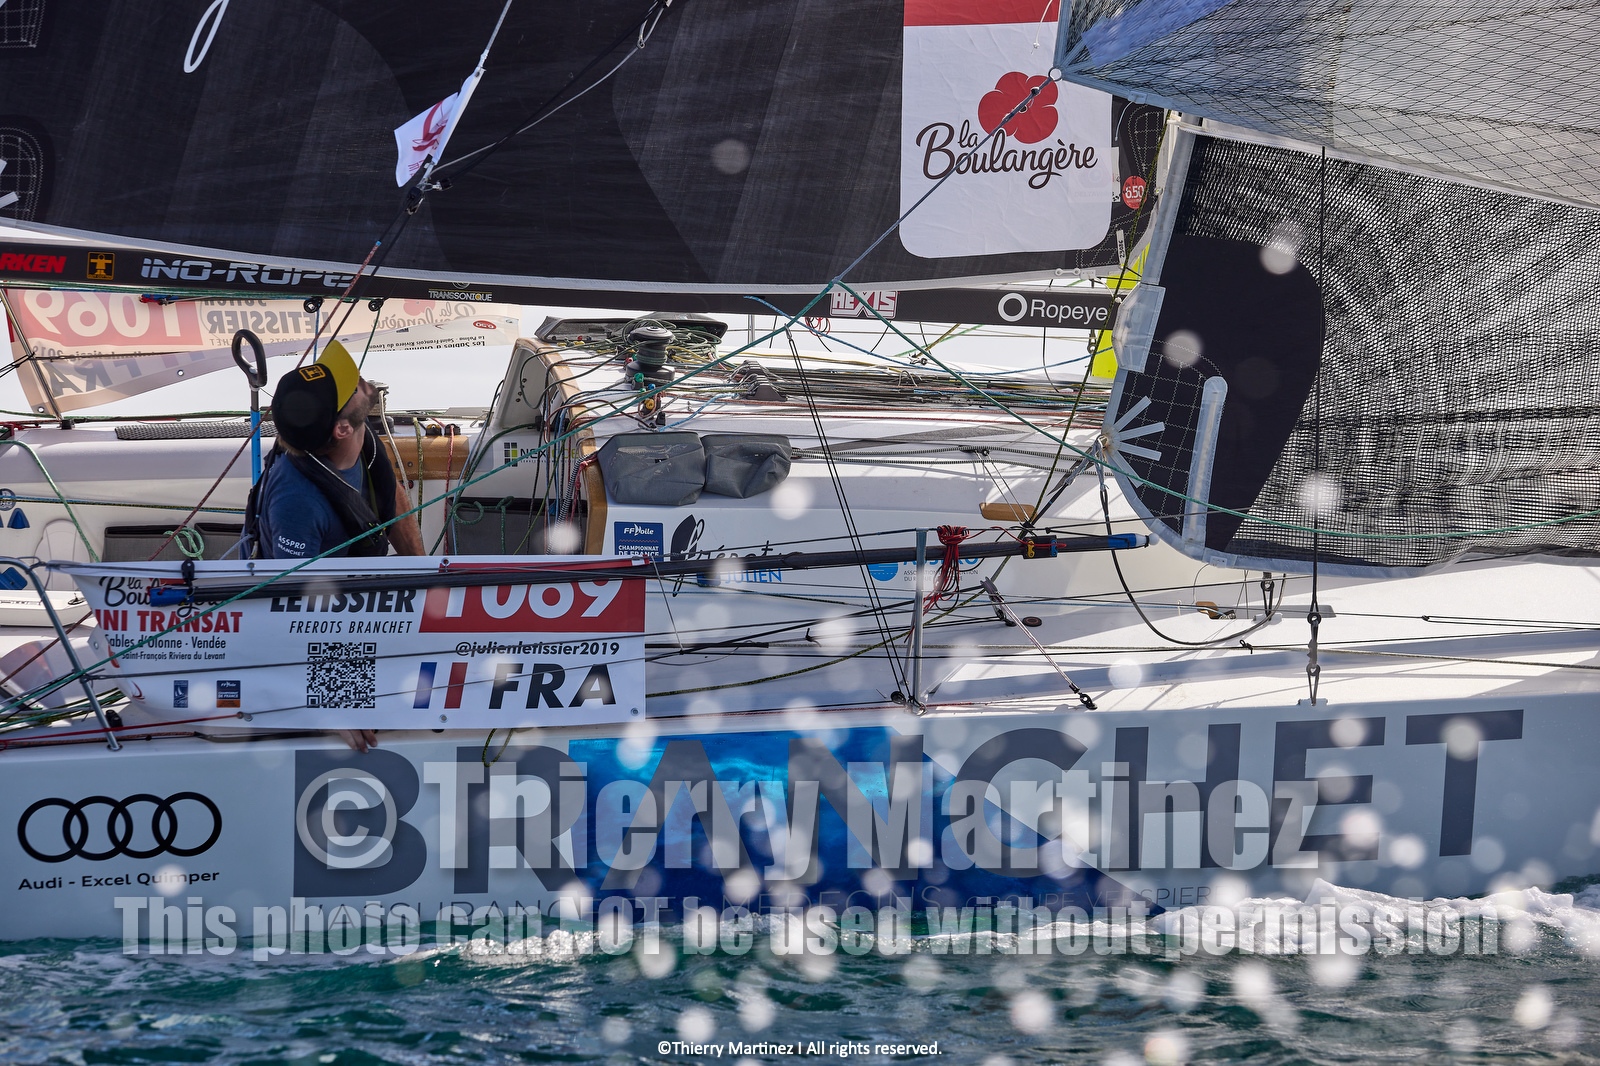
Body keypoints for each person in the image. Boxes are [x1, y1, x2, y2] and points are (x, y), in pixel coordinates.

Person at [241, 339, 424, 753]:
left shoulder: (356, 437)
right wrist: (331, 704)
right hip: (320, 622)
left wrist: (423, 573)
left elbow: (387, 491)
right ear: (341, 428)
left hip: (356, 604)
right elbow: (293, 613)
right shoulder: (297, 504)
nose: (361, 381)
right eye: (352, 386)